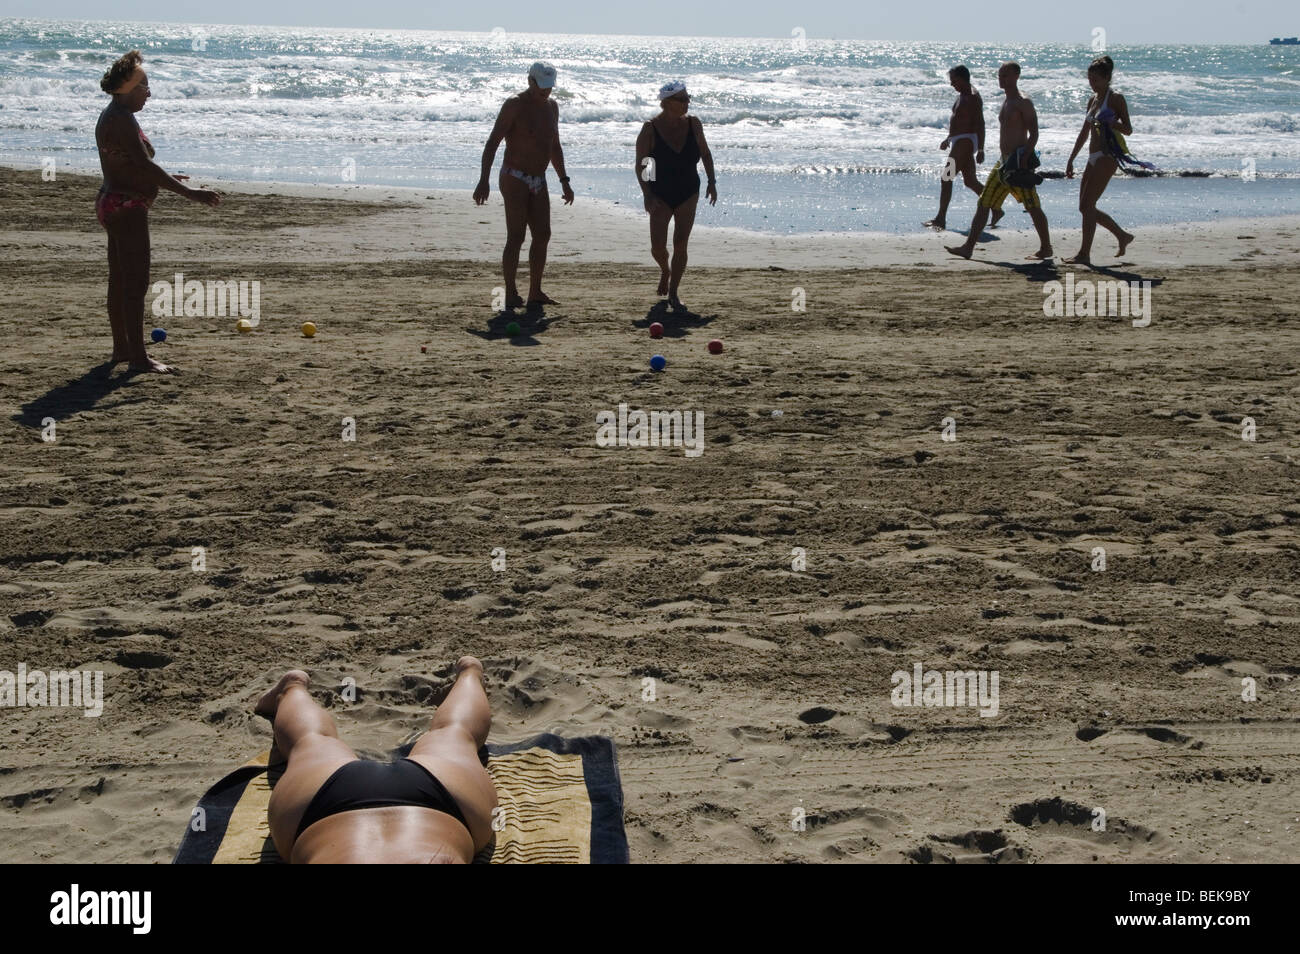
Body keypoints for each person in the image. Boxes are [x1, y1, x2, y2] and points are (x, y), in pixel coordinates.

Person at [256, 656, 499, 864]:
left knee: (455, 733)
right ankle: (293, 688)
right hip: (322, 811)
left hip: (443, 806)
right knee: (309, 740)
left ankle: (470, 671)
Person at [96, 50, 220, 374]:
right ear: (125, 87)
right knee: (135, 284)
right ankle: (138, 358)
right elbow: (143, 164)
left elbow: (131, 165)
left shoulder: (115, 115)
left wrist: (165, 179)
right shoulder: (120, 119)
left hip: (113, 202)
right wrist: (190, 193)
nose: (148, 93)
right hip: (126, 208)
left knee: (120, 280)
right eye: (143, 86)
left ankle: (122, 349)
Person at [474, 61, 574, 314]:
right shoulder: (514, 105)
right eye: (541, 86)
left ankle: (535, 292)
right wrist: (484, 179)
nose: (546, 92)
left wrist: (564, 180)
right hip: (514, 176)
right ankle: (509, 292)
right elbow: (493, 142)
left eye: (549, 87)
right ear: (530, 81)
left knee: (543, 234)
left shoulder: (552, 107)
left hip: (539, 179)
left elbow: (554, 146)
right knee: (516, 236)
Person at [946, 62, 1053, 261]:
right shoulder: (1006, 101)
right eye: (1000, 75)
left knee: (1032, 206)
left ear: (1016, 77)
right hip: (1003, 163)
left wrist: (1024, 158)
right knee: (984, 201)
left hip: (1018, 162)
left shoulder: (1023, 102)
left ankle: (1046, 247)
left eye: (1006, 75)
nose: (1001, 78)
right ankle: (968, 247)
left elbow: (1034, 133)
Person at [635, 81, 716, 313]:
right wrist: (648, 194)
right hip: (660, 193)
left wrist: (712, 181)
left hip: (688, 190)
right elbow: (644, 164)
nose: (687, 102)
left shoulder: (694, 123)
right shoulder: (650, 129)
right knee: (658, 247)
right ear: (667, 103)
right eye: (682, 99)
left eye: (688, 97)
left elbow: (706, 153)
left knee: (681, 243)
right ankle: (665, 270)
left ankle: (674, 292)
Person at [1063, 56, 1136, 264]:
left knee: (1088, 205)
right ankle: (1122, 235)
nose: (1091, 83)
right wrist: (1071, 158)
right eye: (1089, 79)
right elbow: (1084, 132)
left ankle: (1084, 254)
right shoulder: (1092, 100)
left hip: (1108, 156)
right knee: (1084, 207)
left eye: (1095, 79)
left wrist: (1113, 122)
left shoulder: (1115, 99)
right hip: (1092, 155)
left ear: (1107, 78)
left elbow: (1128, 129)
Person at [924, 65, 1000, 231]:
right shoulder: (962, 95)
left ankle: (940, 219)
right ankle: (996, 208)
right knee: (970, 181)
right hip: (959, 140)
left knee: (946, 177)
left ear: (963, 78)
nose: (952, 84)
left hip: (966, 142)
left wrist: (981, 149)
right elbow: (958, 121)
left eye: (954, 81)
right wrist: (948, 138)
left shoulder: (972, 96)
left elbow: (980, 123)